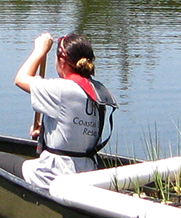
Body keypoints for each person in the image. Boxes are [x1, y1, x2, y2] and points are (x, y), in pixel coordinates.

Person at [13, 32, 117, 189]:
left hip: (55, 175)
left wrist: (40, 50)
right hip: (87, 173)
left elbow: (20, 79)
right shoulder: (97, 90)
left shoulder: (61, 89)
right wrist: (46, 131)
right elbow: (77, 130)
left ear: (62, 62)